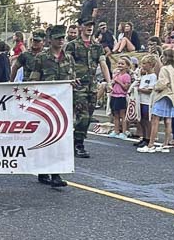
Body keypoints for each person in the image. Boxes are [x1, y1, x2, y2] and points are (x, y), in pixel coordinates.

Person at [28, 25, 75, 188]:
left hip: (62, 104)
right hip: (45, 104)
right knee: (45, 137)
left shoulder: (69, 58)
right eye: (58, 38)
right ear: (50, 40)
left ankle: (56, 173)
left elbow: (72, 78)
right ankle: (43, 170)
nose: (61, 40)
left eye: (63, 38)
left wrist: (73, 84)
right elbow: (34, 80)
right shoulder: (41, 57)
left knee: (60, 137)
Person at [65, 18, 111, 158]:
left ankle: (76, 140)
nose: (90, 28)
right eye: (87, 25)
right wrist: (70, 78)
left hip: (92, 86)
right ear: (81, 27)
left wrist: (109, 81)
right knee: (82, 116)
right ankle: (78, 144)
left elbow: (103, 64)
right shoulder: (72, 46)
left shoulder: (97, 47)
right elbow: (67, 63)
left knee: (88, 116)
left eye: (91, 26)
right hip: (78, 86)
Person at [138, 49, 174, 153]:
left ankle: (151, 144)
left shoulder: (164, 69)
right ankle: (165, 144)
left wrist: (156, 87)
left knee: (155, 120)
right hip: (171, 97)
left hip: (163, 96)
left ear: (165, 57)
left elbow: (162, 83)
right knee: (168, 120)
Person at [134, 54, 158, 148]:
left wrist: (140, 90)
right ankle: (143, 137)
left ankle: (148, 138)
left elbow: (150, 90)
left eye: (145, 64)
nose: (143, 66)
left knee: (147, 121)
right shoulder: (144, 76)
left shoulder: (153, 76)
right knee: (142, 120)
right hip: (141, 100)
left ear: (151, 65)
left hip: (147, 102)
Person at [108, 57, 133, 139]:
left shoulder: (126, 76)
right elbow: (112, 84)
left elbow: (126, 87)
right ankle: (116, 130)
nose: (120, 65)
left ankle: (124, 131)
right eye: (119, 63)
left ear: (127, 66)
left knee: (123, 115)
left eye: (122, 64)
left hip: (121, 96)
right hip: (114, 95)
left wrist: (119, 82)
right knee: (115, 115)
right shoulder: (116, 74)